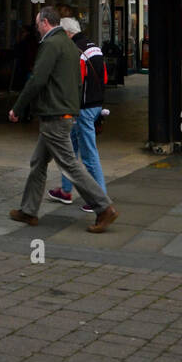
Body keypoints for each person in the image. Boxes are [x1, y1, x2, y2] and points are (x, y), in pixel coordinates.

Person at [8, 7, 118, 233]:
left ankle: (104, 207)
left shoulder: (50, 45)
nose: (36, 28)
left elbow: (37, 80)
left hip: (54, 115)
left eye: (38, 23)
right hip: (64, 113)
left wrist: (18, 108)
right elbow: (78, 81)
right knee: (38, 162)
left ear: (46, 22)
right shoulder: (70, 45)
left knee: (70, 164)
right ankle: (28, 210)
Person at [48, 16, 108, 214]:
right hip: (95, 104)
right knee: (70, 149)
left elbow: (73, 82)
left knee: (88, 154)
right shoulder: (94, 47)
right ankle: (66, 190)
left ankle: (99, 199)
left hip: (82, 109)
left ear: (66, 33)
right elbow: (104, 76)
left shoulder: (75, 51)